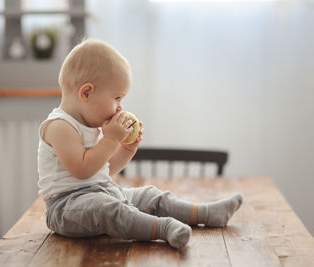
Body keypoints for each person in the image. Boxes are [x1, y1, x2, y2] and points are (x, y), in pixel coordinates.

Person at [37, 38, 243, 249]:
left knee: (149, 195)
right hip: (66, 207)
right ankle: (162, 228)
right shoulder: (59, 127)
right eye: (116, 98)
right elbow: (82, 170)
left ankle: (206, 213)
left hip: (101, 191)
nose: (119, 107)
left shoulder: (93, 125)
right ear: (86, 93)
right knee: (109, 209)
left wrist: (126, 149)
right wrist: (110, 140)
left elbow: (102, 171)